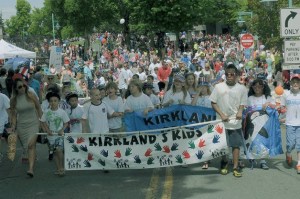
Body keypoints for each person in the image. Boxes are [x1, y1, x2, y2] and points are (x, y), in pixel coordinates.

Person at [209, 64, 248, 177]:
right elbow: (213, 102)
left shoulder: (242, 88)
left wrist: (240, 111)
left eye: (232, 74)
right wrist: (221, 114)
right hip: (221, 121)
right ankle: (224, 162)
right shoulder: (218, 87)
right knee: (223, 144)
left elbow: (243, 103)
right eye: (227, 74)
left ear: (236, 75)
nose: (229, 76)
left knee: (235, 145)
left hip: (235, 122)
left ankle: (235, 167)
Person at [10, 78, 42, 177]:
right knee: (27, 147)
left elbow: (38, 108)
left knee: (31, 145)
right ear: (15, 89)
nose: (23, 88)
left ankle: (30, 169)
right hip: (21, 126)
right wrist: (13, 126)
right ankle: (32, 158)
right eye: (20, 87)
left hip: (34, 123)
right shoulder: (13, 100)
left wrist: (42, 122)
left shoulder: (31, 95)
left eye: (24, 85)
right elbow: (14, 115)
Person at [247, 79, 275, 170]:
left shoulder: (267, 97)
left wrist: (269, 104)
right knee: (253, 141)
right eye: (255, 86)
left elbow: (275, 107)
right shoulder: (249, 98)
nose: (257, 88)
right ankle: (252, 157)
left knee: (263, 142)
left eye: (260, 86)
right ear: (252, 87)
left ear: (263, 87)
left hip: (264, 125)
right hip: (252, 125)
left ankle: (262, 160)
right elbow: (245, 110)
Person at [40, 92, 70, 176]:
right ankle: (58, 168)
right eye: (51, 101)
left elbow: (66, 122)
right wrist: (47, 130)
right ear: (49, 102)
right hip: (50, 136)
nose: (53, 102)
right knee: (55, 153)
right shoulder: (46, 112)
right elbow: (43, 122)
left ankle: (61, 168)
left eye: (55, 101)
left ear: (59, 102)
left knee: (59, 150)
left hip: (59, 136)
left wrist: (62, 130)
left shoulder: (62, 112)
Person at [280, 74, 300, 174]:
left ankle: (299, 164)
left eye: (297, 82)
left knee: (299, 145)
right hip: (290, 123)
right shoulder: (286, 94)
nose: (295, 84)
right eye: (293, 82)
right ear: (291, 83)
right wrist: (282, 112)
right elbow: (282, 107)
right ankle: (288, 153)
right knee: (290, 144)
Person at [191, 83, 212, 169]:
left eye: (204, 87)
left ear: (207, 88)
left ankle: (208, 157)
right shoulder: (197, 97)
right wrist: (197, 93)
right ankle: (205, 160)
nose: (202, 89)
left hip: (209, 121)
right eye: (200, 88)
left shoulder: (211, 97)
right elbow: (192, 105)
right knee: (202, 141)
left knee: (209, 141)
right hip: (200, 123)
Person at [0, 93, 10, 160]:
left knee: (8, 137)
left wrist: (11, 120)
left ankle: (11, 151)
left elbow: (9, 109)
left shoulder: (3, 96)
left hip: (5, 120)